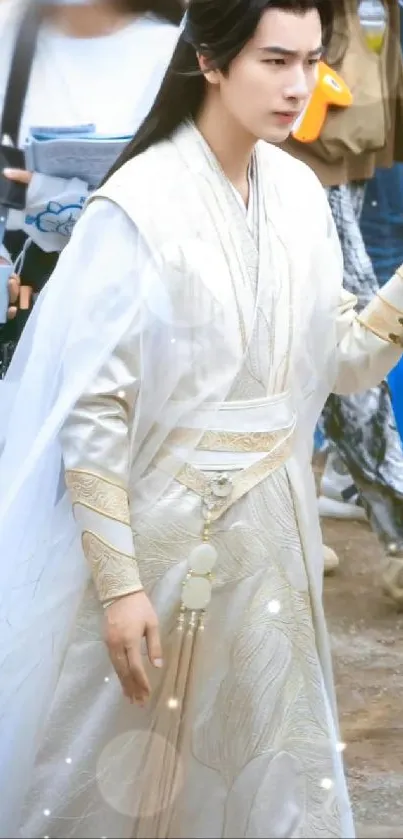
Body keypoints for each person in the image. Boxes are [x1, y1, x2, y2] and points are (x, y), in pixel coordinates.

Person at [2, 0, 403, 835]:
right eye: (274, 62)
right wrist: (119, 588)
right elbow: (94, 409)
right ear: (211, 63)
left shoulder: (295, 191)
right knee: (119, 780)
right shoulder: (137, 205)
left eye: (308, 62)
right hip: (161, 542)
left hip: (276, 547)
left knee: (269, 777)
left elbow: (339, 356)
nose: (299, 87)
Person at [281, 0, 403, 591]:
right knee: (344, 347)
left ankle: (300, 521)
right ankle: (397, 529)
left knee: (317, 349)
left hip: (337, 149)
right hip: (295, 152)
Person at [0, 0, 182, 376]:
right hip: (24, 316)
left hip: (128, 323)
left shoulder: (173, 53)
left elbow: (189, 204)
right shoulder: (10, 35)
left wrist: (49, 195)